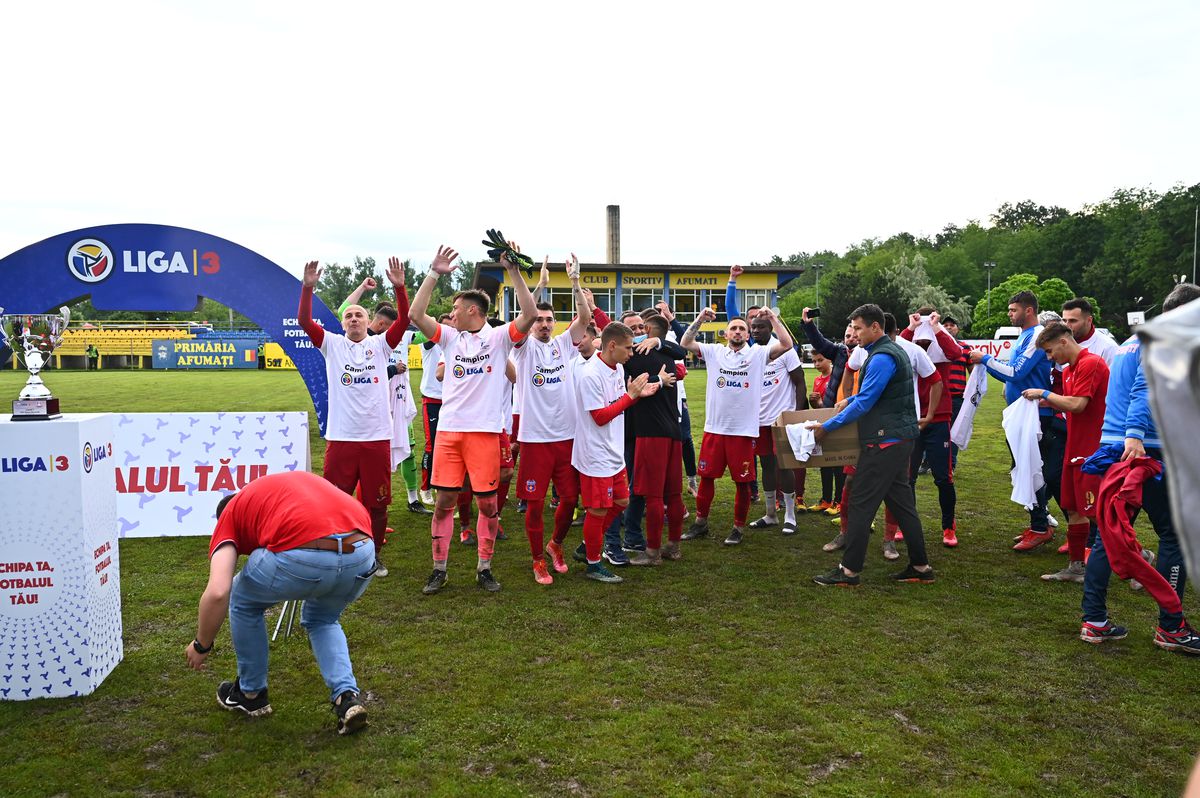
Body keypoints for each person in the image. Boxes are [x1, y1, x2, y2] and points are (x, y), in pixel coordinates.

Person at [183, 471, 376, 735]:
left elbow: (218, 591)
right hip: (363, 550)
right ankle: (346, 697)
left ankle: (251, 694)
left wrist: (201, 644)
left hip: (308, 554)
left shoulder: (231, 516)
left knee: (242, 598)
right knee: (323, 620)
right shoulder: (276, 491)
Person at [408, 244, 537, 594]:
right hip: (450, 433)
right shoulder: (450, 338)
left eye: (454, 308)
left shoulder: (497, 338)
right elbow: (416, 314)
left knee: (488, 503)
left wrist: (512, 271)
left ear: (471, 311)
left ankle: (484, 567)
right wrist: (434, 272)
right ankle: (439, 569)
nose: (450, 313)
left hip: (483, 434)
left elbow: (528, 313)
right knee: (446, 502)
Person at [1078, 282, 1200, 652]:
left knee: (1107, 535)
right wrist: (1135, 435)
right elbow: (1145, 392)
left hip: (1117, 449)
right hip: (1144, 453)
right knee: (1173, 536)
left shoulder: (1136, 341)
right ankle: (1171, 627)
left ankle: (1094, 620)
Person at [298, 257, 409, 574]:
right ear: (343, 324)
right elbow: (305, 321)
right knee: (333, 501)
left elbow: (403, 320)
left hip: (375, 439)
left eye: (359, 315)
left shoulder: (381, 345)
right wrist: (308, 288)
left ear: (368, 320)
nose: (354, 319)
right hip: (342, 439)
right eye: (349, 316)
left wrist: (399, 287)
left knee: (378, 503)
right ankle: (334, 554)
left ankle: (372, 558)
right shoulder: (331, 344)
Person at [812, 304, 935, 587]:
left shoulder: (881, 357)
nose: (853, 334)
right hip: (897, 438)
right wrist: (849, 400)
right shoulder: (887, 352)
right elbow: (871, 395)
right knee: (903, 506)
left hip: (884, 441)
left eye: (858, 328)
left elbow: (867, 402)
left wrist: (826, 428)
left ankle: (849, 571)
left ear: (875, 327)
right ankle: (921, 566)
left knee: (860, 503)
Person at [679, 306, 794, 546]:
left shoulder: (758, 354)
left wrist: (772, 316)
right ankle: (701, 523)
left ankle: (738, 528)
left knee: (742, 482)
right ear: (726, 333)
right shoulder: (714, 351)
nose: (738, 332)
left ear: (748, 334)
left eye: (742, 328)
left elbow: (787, 344)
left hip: (742, 431)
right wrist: (699, 318)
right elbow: (686, 342)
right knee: (707, 477)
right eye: (734, 328)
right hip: (715, 428)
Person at [513, 256, 591, 585]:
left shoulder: (564, 345)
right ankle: (536, 560)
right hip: (534, 440)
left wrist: (574, 282)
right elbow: (524, 314)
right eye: (539, 320)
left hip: (566, 438)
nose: (544, 324)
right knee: (533, 504)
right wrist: (536, 283)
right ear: (532, 324)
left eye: (549, 320)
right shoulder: (522, 348)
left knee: (570, 499)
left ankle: (555, 544)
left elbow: (585, 319)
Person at [969, 290, 1059, 552]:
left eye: (1013, 310)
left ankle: (1042, 526)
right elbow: (1012, 376)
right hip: (1022, 412)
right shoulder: (1024, 336)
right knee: (1025, 469)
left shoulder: (1037, 336)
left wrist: (984, 359)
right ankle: (1040, 523)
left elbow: (1016, 372)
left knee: (1032, 470)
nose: (1010, 314)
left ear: (1028, 310)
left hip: (1036, 415)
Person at [1020, 321, 1109, 583]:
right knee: (1073, 508)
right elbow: (1070, 405)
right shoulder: (1069, 369)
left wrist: (1044, 393)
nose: (1050, 358)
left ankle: (1138, 555)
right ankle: (1076, 566)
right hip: (1074, 445)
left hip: (1091, 449)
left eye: (1049, 351)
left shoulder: (1090, 363)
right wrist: (1048, 400)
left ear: (1063, 341)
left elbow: (1079, 405)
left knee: (1096, 511)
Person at [573, 322, 661, 582]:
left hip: (613, 451)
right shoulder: (590, 374)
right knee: (598, 510)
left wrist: (637, 394)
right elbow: (600, 416)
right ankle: (593, 564)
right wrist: (630, 397)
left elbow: (617, 401)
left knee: (621, 501)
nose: (631, 353)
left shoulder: (618, 367)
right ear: (612, 345)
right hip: (595, 454)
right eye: (628, 347)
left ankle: (589, 543)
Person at [622, 314, 685, 564]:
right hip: (673, 431)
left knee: (654, 496)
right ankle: (674, 546)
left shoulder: (635, 356)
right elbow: (680, 353)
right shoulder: (669, 355)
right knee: (674, 494)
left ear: (647, 330)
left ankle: (652, 551)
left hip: (650, 432)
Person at [900, 310, 958, 548]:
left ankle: (949, 527)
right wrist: (911, 328)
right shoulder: (909, 340)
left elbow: (956, 354)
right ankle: (907, 525)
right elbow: (895, 348)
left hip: (938, 417)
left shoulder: (942, 338)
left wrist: (936, 328)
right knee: (907, 477)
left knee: (943, 477)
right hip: (912, 415)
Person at [747, 311, 808, 536]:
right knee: (766, 465)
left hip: (782, 419)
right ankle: (770, 514)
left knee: (785, 465)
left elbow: (800, 383)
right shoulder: (752, 353)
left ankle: (790, 515)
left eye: (760, 327)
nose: (755, 331)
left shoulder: (784, 350)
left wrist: (797, 415)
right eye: (753, 327)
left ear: (770, 328)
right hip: (758, 420)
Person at [807, 351, 845, 514]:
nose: (816, 364)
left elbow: (836, 404)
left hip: (836, 425)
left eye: (820, 360)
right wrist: (813, 402)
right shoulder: (817, 380)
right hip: (822, 426)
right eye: (814, 361)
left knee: (838, 464)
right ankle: (826, 500)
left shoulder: (837, 378)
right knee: (824, 465)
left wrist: (821, 402)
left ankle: (839, 502)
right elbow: (819, 408)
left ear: (830, 360)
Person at [1061, 297, 1117, 365]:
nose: (1067, 325)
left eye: (1073, 321)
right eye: (1064, 321)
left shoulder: (1108, 347)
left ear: (1089, 320)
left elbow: (1114, 375)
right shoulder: (1061, 344)